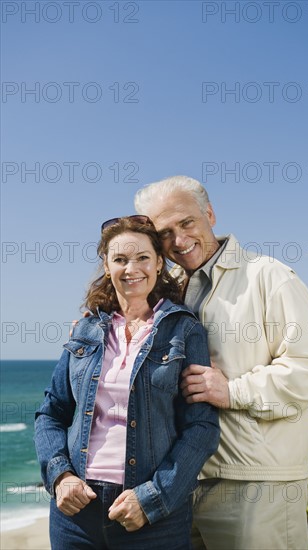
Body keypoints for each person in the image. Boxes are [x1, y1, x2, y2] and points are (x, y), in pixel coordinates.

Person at [134, 176, 308, 550]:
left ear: (210, 214)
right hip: (182, 484)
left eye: (187, 223)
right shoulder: (166, 293)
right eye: (164, 233)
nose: (179, 241)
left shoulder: (269, 276)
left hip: (256, 487)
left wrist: (233, 391)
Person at [34, 215, 220, 550]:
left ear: (159, 263)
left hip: (154, 520)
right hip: (76, 515)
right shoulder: (86, 330)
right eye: (120, 259)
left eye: (142, 258)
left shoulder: (185, 330)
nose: (131, 268)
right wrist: (60, 476)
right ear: (106, 265)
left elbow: (202, 427)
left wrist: (154, 498)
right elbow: (51, 413)